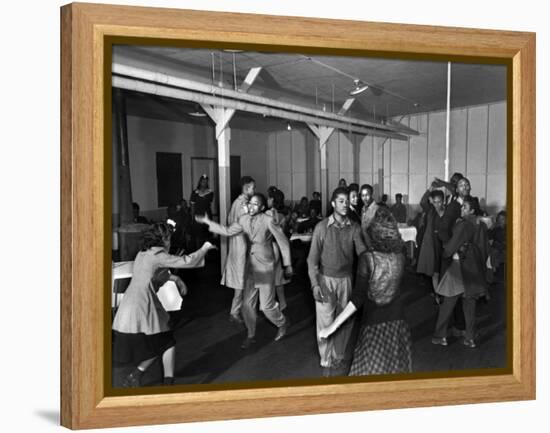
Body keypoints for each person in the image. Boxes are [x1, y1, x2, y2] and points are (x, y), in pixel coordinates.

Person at [112, 222, 216, 387]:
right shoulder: (159, 255)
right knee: (165, 343)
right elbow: (186, 261)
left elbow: (154, 274)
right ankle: (163, 382)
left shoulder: (143, 253)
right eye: (168, 238)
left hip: (130, 305)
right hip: (142, 306)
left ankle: (138, 376)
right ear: (163, 239)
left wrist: (176, 278)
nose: (170, 242)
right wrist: (204, 248)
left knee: (162, 343)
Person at [318, 207, 411, 376]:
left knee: (367, 376)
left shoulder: (367, 259)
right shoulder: (401, 255)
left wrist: (332, 326)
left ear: (373, 232)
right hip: (398, 325)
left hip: (374, 326)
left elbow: (357, 299)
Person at [197, 193, 293, 349]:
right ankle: (251, 335)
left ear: (262, 208)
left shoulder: (268, 220)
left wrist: (288, 264)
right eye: (250, 203)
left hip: (265, 267)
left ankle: (282, 322)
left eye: (256, 204)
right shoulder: (243, 219)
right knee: (247, 305)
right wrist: (208, 222)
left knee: (266, 307)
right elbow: (227, 231)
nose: (251, 206)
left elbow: (282, 241)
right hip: (250, 266)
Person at [307, 187, 367, 376]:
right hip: (325, 279)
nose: (345, 205)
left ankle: (339, 354)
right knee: (325, 320)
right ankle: (326, 358)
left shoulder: (354, 227)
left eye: (347, 201)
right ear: (333, 203)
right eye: (341, 201)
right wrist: (315, 284)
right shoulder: (321, 227)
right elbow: (311, 260)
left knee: (345, 320)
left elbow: (363, 254)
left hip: (346, 280)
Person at [432, 196, 489, 348]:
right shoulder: (481, 225)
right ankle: (470, 338)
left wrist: (446, 253)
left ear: (471, 210)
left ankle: (440, 336)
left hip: (459, 267)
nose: (461, 209)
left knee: (448, 303)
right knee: (470, 305)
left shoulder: (464, 225)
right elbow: (484, 250)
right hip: (474, 269)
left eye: (464, 207)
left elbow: (451, 247)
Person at [222, 176, 256, 324]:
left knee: (243, 279)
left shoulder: (237, 203)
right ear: (247, 188)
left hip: (238, 244)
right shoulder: (241, 204)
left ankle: (240, 310)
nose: (254, 190)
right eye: (252, 188)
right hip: (240, 246)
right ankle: (234, 312)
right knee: (240, 281)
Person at [416, 184, 446, 298]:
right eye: (435, 202)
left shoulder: (447, 212)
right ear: (432, 202)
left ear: (443, 201)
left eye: (440, 201)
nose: (437, 204)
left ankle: (442, 293)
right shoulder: (430, 211)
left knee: (442, 271)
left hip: (443, 245)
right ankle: (438, 295)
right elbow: (423, 201)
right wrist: (430, 188)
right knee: (434, 272)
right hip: (431, 245)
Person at [267, 188, 290, 311]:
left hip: (270, 247)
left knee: (268, 277)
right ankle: (282, 302)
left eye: (269, 197)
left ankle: (269, 303)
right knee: (278, 278)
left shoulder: (269, 214)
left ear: (272, 200)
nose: (267, 199)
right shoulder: (282, 215)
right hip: (280, 248)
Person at [190, 174, 215, 247]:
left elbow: (209, 203)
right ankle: (199, 252)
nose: (204, 182)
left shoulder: (210, 192)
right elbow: (192, 206)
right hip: (198, 216)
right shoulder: (194, 193)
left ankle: (206, 252)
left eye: (206, 181)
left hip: (207, 217)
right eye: (203, 181)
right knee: (198, 236)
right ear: (200, 182)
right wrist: (192, 217)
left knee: (206, 235)